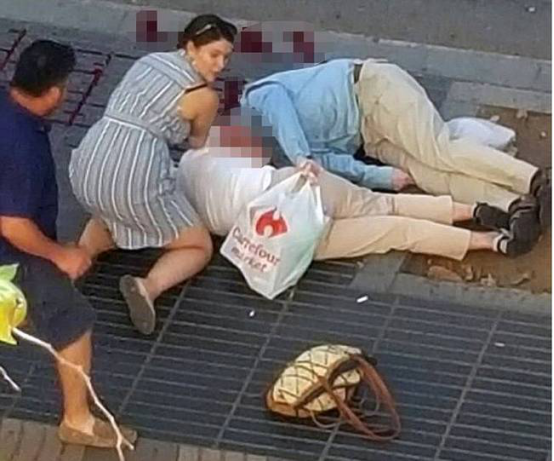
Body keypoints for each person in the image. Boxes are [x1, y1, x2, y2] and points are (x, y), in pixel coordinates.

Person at [240, 58, 550, 237]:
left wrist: (299, 156)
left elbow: (280, 107)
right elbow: (326, 162)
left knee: (437, 149)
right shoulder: (276, 155)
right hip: (369, 139)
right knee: (427, 176)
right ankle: (513, 206)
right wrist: (382, 177)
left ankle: (536, 180)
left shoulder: (254, 99)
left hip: (369, 89)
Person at [0, 40, 136, 448]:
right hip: (13, 257)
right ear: (55, 91)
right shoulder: (23, 146)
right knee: (71, 319)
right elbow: (14, 225)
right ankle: (76, 421)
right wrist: (61, 254)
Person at [69, 14, 237, 335]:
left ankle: (75, 261)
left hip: (89, 161)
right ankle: (148, 286)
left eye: (225, 58)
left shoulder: (149, 61)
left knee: (107, 214)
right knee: (197, 246)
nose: (220, 66)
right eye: (213, 55)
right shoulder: (204, 96)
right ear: (191, 47)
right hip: (134, 173)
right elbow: (197, 143)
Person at [177, 115, 539, 263]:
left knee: (396, 232)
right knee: (384, 204)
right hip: (296, 186)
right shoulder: (199, 153)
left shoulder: (187, 217)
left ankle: (492, 242)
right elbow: (258, 155)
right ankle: (472, 210)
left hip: (288, 236)